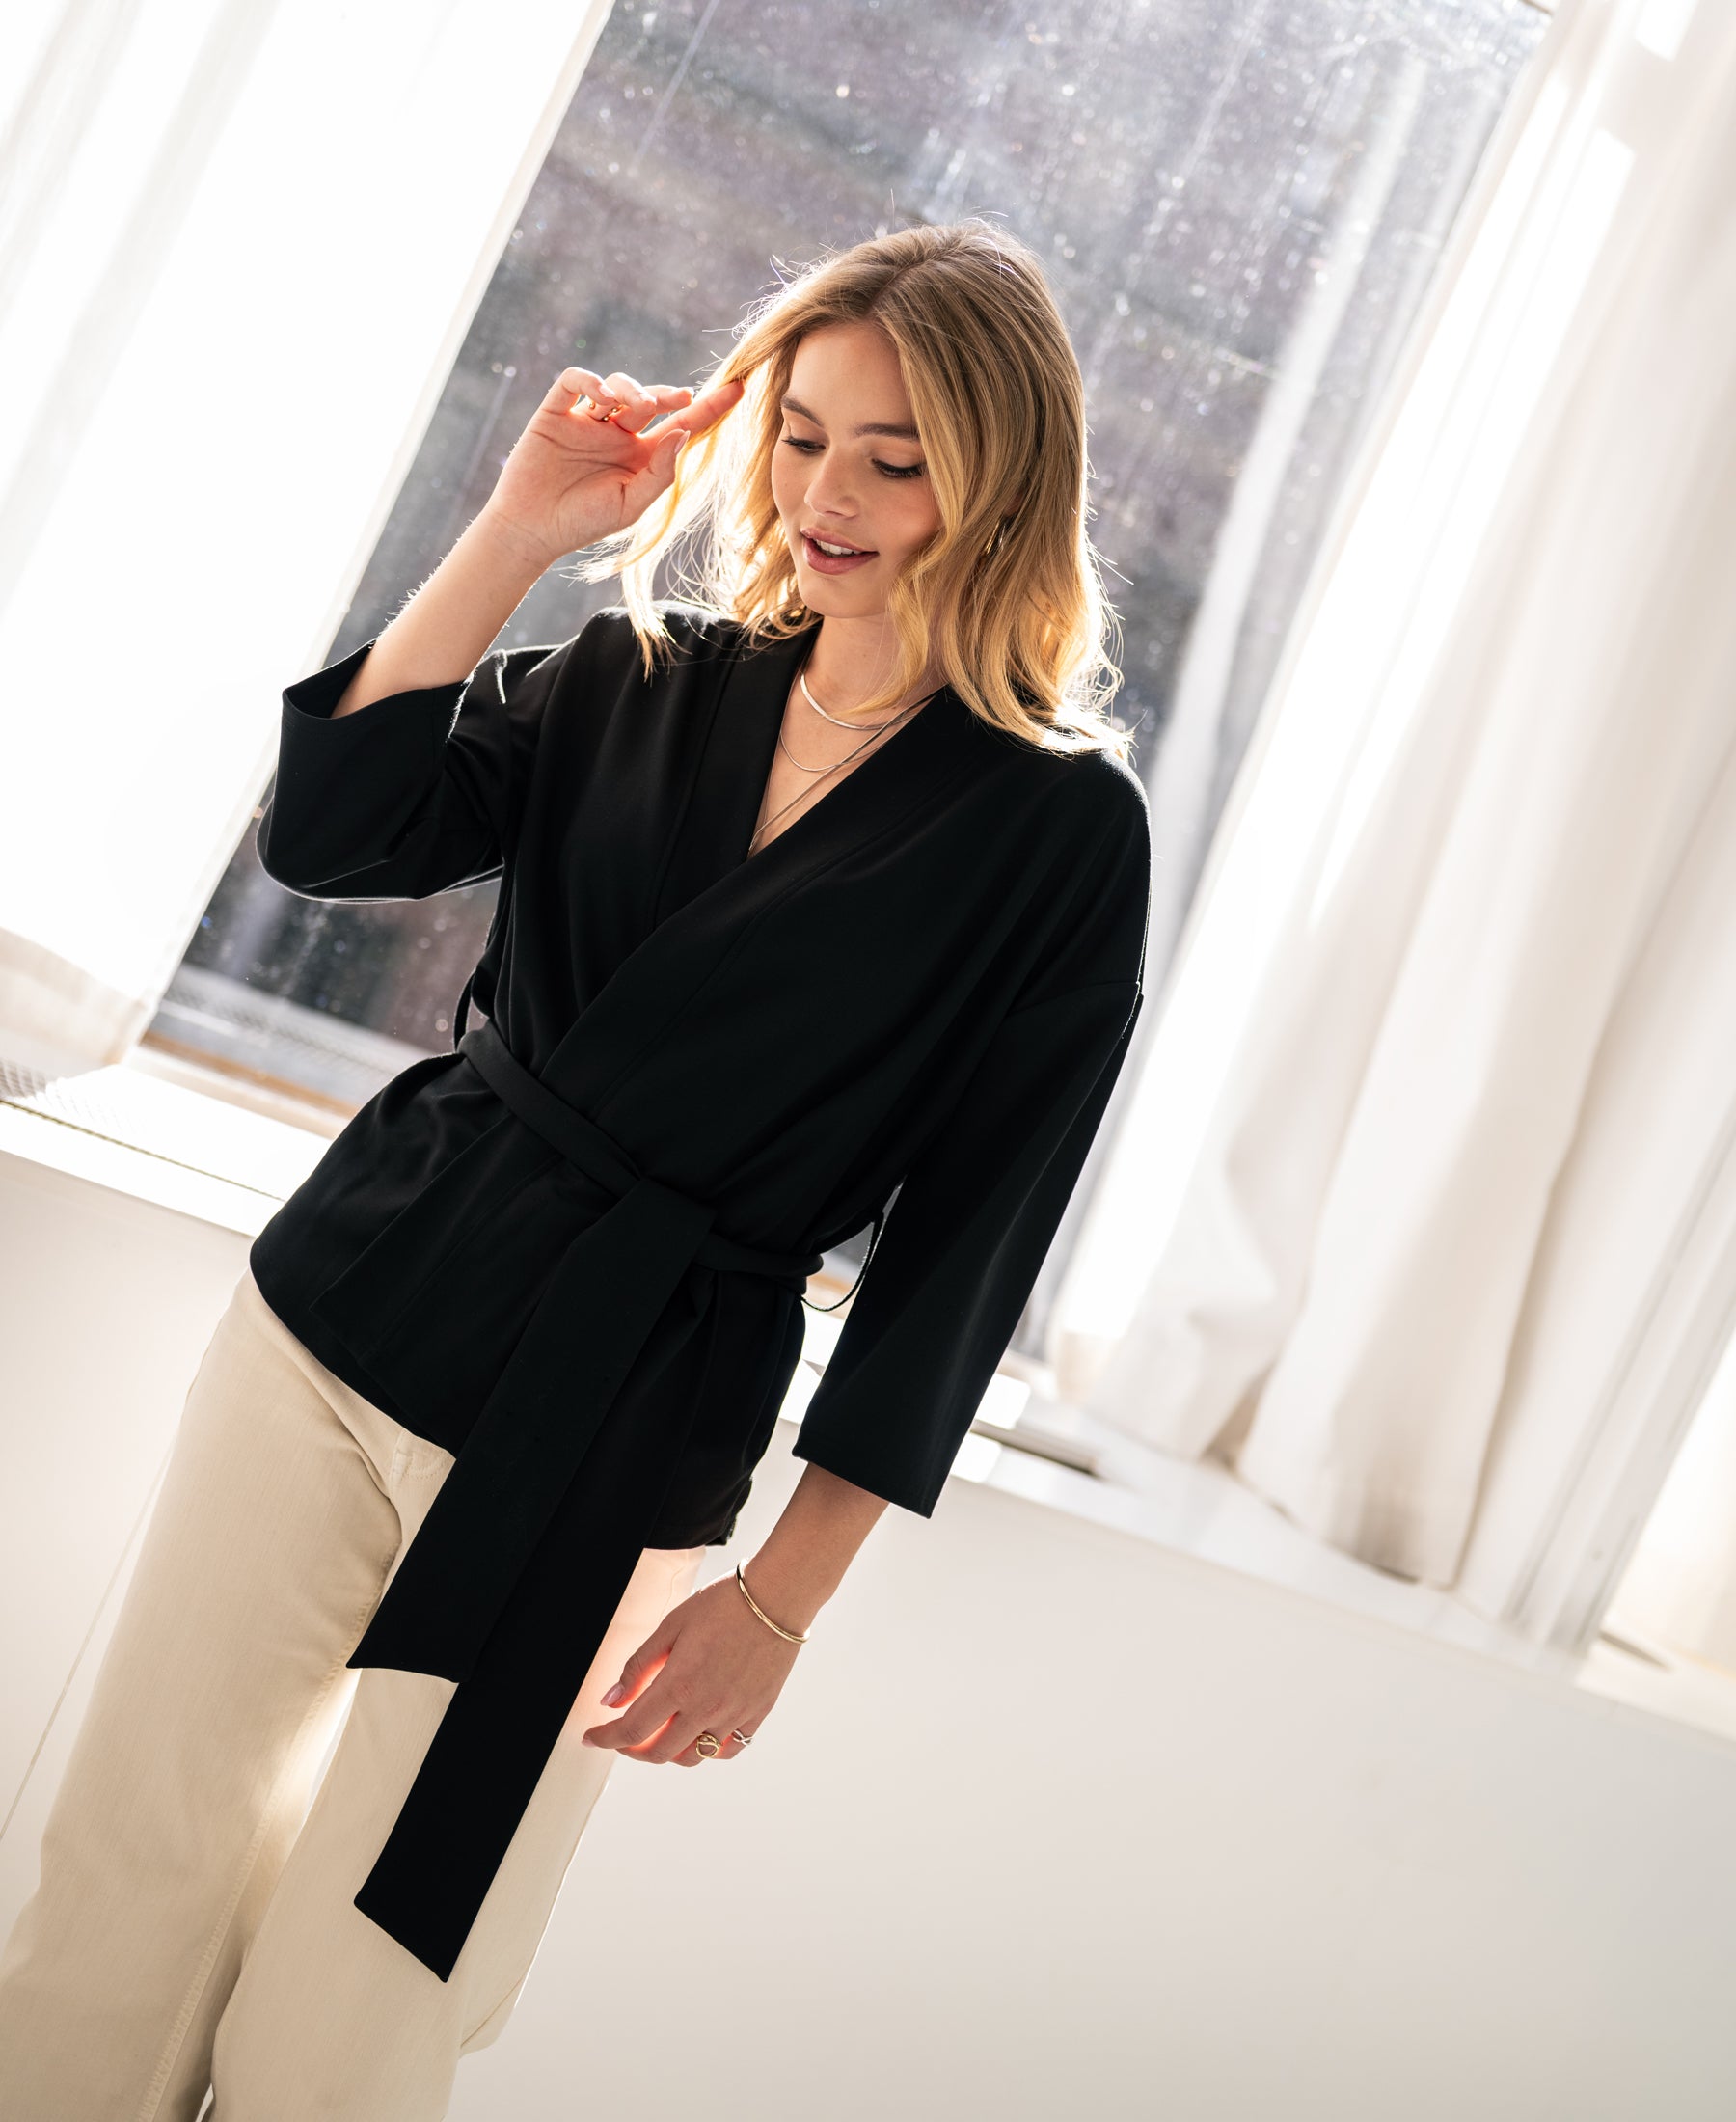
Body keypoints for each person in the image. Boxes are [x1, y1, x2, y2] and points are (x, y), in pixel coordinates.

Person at [0, 218, 1151, 2120]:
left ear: (1005, 481)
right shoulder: (640, 674)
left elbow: (963, 1256)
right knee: (127, 1882)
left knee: (362, 2006)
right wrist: (517, 530)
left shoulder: (1059, 834)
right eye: (803, 436)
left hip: (624, 1423)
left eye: (897, 457)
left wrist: (778, 1600)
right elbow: (336, 834)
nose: (829, 496)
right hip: (345, 1316)